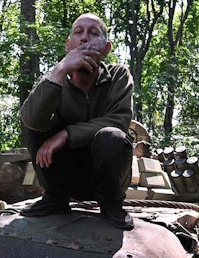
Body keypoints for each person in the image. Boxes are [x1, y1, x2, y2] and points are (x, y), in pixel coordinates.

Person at [19, 13, 134, 230]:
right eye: (78, 32)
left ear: (106, 48)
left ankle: (111, 205)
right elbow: (30, 119)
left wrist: (66, 135)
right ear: (68, 44)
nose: (84, 38)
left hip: (106, 177)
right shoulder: (53, 81)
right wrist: (61, 70)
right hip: (64, 176)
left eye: (93, 33)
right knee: (37, 118)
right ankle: (54, 199)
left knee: (113, 136)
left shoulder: (118, 76)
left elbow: (119, 120)